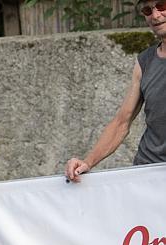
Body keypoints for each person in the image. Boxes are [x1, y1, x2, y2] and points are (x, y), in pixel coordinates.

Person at [65, 0, 166, 182]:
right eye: (147, 10)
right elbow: (122, 122)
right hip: (147, 173)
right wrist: (87, 162)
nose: (156, 15)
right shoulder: (145, 61)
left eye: (162, 6)